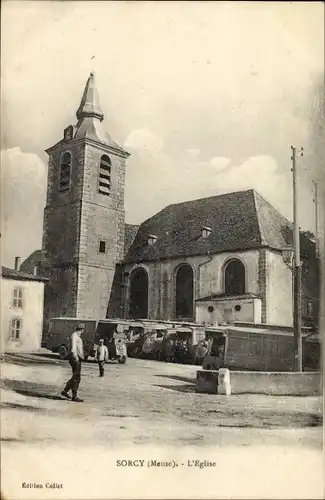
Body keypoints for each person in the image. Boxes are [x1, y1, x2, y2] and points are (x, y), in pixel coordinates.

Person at [61, 322, 85, 402]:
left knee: (76, 377)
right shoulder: (74, 336)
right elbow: (73, 349)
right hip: (75, 359)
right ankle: (74, 396)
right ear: (81, 330)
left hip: (76, 358)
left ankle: (65, 391)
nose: (82, 332)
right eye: (82, 330)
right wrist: (76, 358)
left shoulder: (75, 336)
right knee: (76, 378)